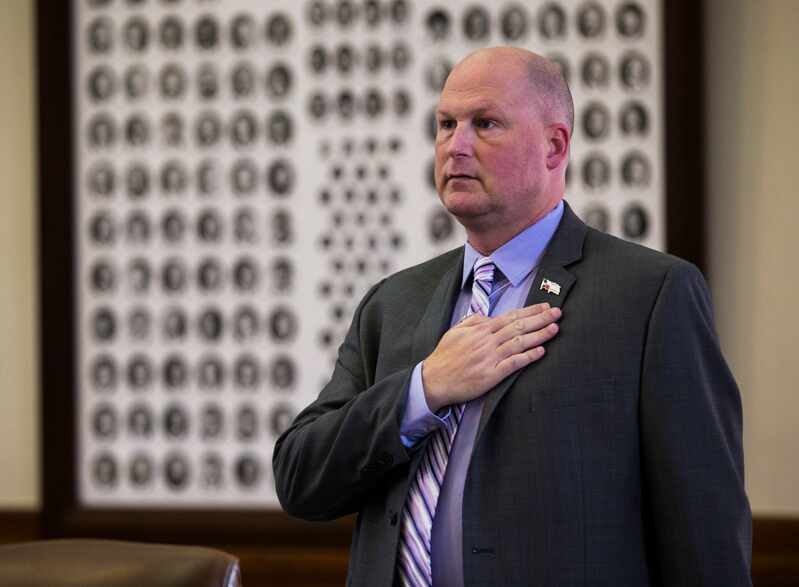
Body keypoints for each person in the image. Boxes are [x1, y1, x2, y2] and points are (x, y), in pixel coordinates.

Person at [273, 47, 752, 586]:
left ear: (554, 145)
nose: (456, 145)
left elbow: (704, 531)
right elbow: (300, 478)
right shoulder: (394, 302)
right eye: (446, 124)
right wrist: (422, 390)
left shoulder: (650, 295)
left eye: (486, 124)